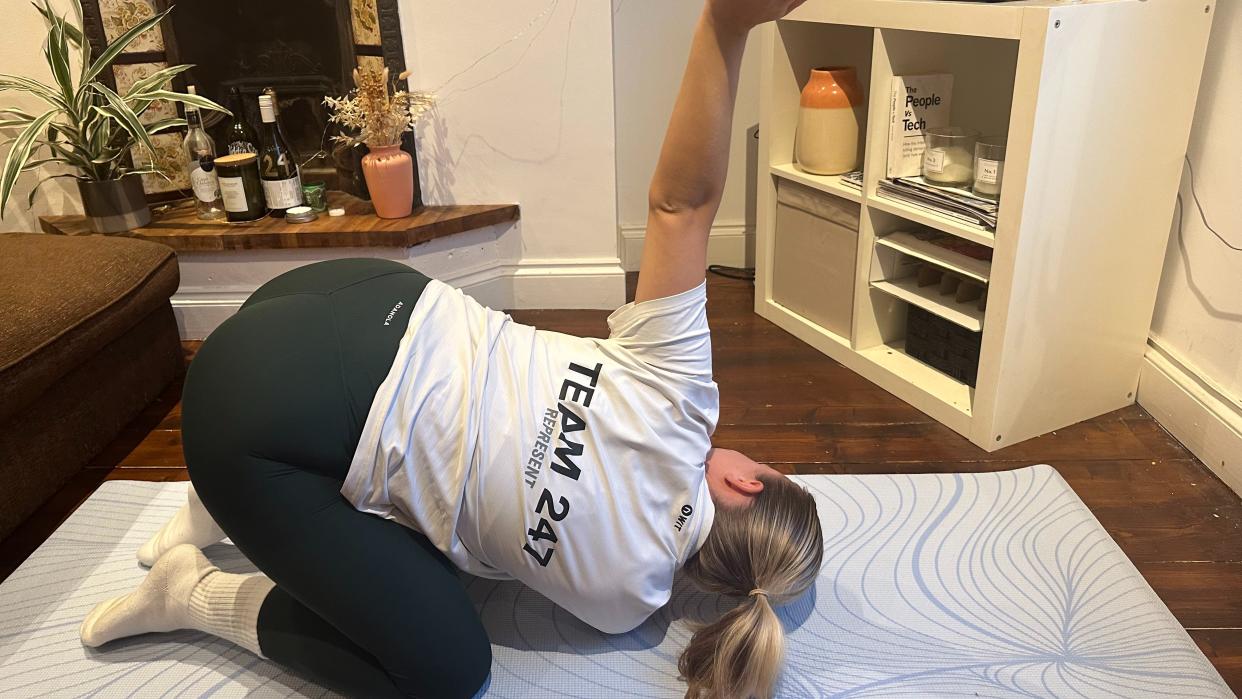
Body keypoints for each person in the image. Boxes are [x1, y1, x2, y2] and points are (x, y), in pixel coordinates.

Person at [79, 0, 821, 697]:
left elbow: (681, 205)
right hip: (253, 411)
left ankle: (203, 532)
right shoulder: (624, 603)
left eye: (758, 465)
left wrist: (727, 23)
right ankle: (194, 586)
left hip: (361, 293)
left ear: (749, 484)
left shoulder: (685, 397)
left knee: (440, 603)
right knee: (449, 664)